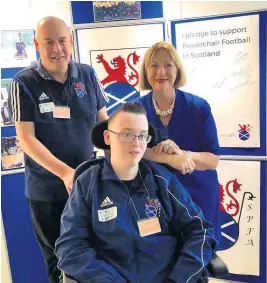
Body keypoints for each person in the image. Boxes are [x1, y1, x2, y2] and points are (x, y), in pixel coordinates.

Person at [55, 102, 217, 283]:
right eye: (127, 134)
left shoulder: (162, 181)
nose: (136, 143)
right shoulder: (88, 185)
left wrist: (180, 278)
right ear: (108, 137)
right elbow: (70, 247)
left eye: (142, 136)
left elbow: (200, 231)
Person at [8, 16, 108, 283]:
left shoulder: (87, 74)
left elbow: (105, 127)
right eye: (49, 42)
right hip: (47, 194)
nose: (57, 49)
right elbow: (26, 139)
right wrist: (65, 173)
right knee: (59, 263)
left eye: (62, 41)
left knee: (97, 257)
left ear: (71, 42)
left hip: (88, 188)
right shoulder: (22, 83)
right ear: (37, 44)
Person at [137, 41, 221, 242]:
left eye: (168, 65)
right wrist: (168, 158)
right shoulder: (135, 109)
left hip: (198, 197)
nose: (161, 71)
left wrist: (184, 156)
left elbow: (213, 160)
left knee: (199, 256)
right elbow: (127, 149)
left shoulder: (198, 107)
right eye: (154, 65)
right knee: (159, 257)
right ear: (145, 71)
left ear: (177, 70)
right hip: (153, 198)